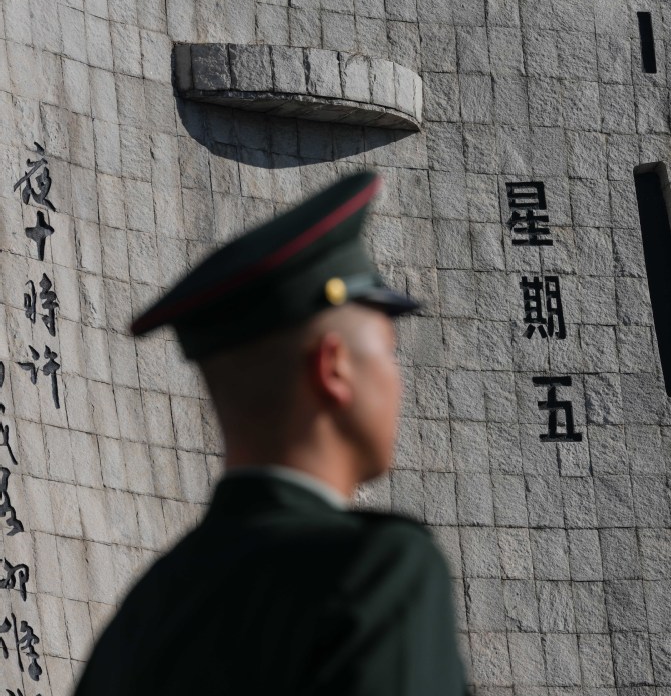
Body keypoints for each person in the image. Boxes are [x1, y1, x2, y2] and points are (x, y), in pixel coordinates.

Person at [73, 172, 466, 695]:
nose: (398, 381)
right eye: (389, 353)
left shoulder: (143, 614)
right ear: (334, 367)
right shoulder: (374, 574)